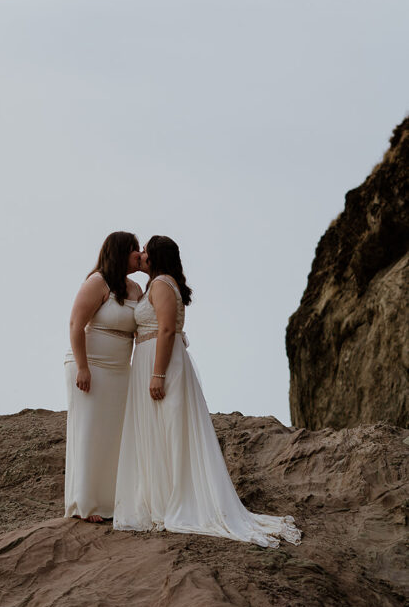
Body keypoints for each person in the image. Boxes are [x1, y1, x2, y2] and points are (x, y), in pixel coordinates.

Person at [114, 235, 301, 548]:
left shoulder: (161, 283)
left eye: (146, 250)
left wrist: (157, 374)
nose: (142, 254)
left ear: (156, 256)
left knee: (171, 430)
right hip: (154, 359)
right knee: (162, 430)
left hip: (160, 363)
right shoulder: (159, 283)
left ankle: (176, 500)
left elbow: (167, 329)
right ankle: (164, 496)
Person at [64, 232, 142, 523]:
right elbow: (75, 324)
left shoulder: (135, 288)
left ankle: (111, 499)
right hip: (91, 365)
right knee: (90, 430)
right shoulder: (98, 282)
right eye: (135, 249)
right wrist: (83, 367)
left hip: (121, 368)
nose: (139, 255)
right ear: (122, 252)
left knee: (113, 433)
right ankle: (87, 504)